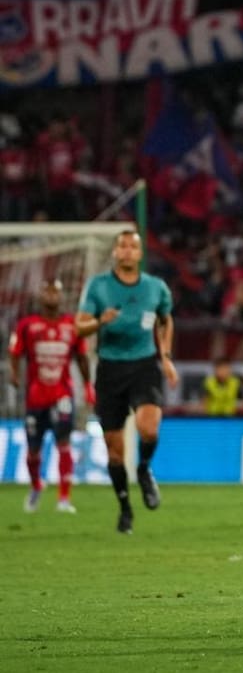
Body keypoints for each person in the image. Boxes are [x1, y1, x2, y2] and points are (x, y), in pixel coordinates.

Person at [76, 229, 177, 534]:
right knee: (114, 450)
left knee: (149, 428)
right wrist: (98, 322)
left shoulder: (156, 288)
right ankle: (125, 508)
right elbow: (79, 328)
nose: (128, 251)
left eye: (134, 246)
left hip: (144, 365)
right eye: (123, 246)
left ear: (140, 253)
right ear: (116, 252)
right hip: (110, 369)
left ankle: (144, 469)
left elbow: (165, 319)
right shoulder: (98, 287)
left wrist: (167, 357)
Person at [9, 279, 92, 514]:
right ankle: (36, 485)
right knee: (33, 450)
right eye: (47, 291)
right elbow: (14, 353)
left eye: (55, 291)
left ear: (62, 295)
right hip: (35, 397)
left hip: (62, 394)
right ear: (40, 296)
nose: (51, 295)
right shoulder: (27, 325)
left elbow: (82, 357)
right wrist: (14, 374)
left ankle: (64, 498)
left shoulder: (71, 325)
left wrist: (87, 386)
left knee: (63, 443)